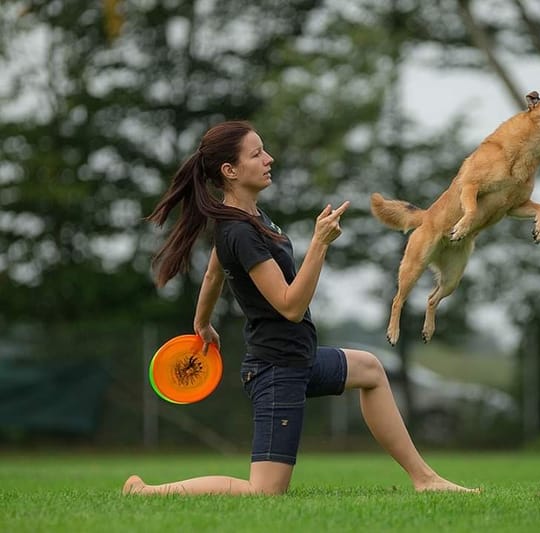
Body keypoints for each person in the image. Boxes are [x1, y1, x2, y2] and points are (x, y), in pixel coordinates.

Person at [123, 120, 477, 495]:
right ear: (230, 171)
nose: (268, 159)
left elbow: (213, 275)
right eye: (256, 154)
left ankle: (425, 480)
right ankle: (147, 492)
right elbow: (290, 306)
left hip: (297, 358)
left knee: (370, 370)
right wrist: (320, 244)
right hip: (276, 370)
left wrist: (202, 323)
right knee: (266, 491)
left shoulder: (246, 220)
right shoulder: (240, 231)